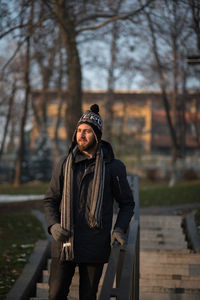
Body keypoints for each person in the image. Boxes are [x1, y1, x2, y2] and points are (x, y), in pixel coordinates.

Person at [44, 104, 135, 300]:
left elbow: (127, 204)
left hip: (95, 243)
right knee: (55, 295)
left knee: (88, 296)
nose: (81, 135)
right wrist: (53, 225)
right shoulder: (63, 164)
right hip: (64, 243)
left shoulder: (113, 167)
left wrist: (119, 229)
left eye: (87, 131)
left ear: (97, 135)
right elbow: (50, 200)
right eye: (79, 130)